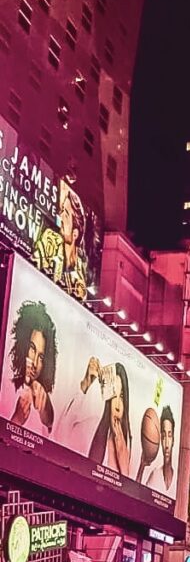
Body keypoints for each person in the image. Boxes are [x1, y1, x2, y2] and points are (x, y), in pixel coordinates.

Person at [7, 300, 57, 434]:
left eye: (41, 357)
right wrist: (16, 421)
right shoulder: (6, 379)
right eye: (32, 348)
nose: (34, 363)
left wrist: (46, 411)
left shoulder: (40, 393)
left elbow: (49, 423)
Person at [32, 183, 89, 301]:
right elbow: (30, 266)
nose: (61, 216)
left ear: (75, 234)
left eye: (66, 215)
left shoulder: (80, 278)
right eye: (62, 211)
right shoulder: (50, 240)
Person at [144, 405, 176, 495]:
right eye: (163, 436)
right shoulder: (154, 476)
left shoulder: (178, 480)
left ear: (173, 440)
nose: (166, 444)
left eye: (169, 436)